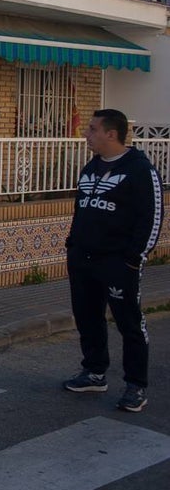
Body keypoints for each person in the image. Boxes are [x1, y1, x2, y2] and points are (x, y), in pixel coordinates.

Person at [63, 109, 163, 413]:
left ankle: (136, 386)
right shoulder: (91, 168)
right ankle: (94, 372)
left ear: (111, 134)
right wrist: (73, 246)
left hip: (119, 263)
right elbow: (82, 210)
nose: (87, 134)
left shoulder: (139, 170)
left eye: (92, 129)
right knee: (88, 317)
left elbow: (152, 216)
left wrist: (134, 259)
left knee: (129, 322)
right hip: (83, 259)